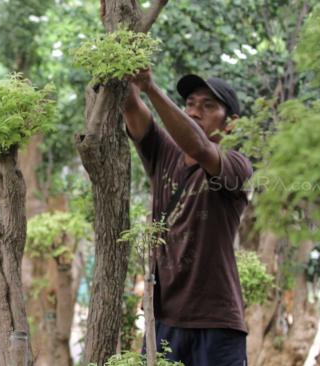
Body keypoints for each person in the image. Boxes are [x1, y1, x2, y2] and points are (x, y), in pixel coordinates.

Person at [123, 69, 252, 366]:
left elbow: (200, 147)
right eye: (190, 103)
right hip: (164, 318)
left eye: (208, 106)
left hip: (216, 320)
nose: (195, 111)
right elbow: (130, 104)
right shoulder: (163, 154)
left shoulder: (236, 166)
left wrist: (151, 88)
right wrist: (123, 55)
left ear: (231, 123)